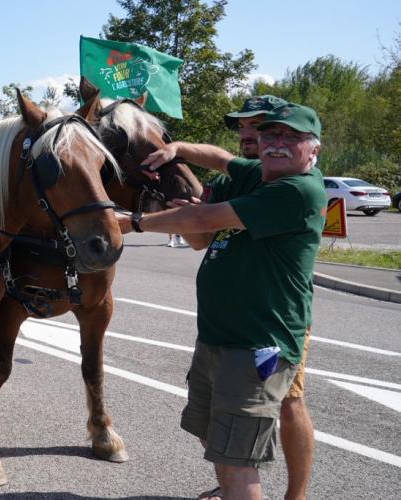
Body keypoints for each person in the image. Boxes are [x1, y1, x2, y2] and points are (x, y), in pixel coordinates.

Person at [117, 103, 325, 500]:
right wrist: (177, 147)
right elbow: (219, 160)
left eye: (292, 138)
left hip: (256, 345)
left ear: (312, 149)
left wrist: (130, 223)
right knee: (218, 442)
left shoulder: (295, 189)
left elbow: (199, 223)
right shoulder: (254, 174)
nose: (276, 143)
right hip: (220, 338)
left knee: (237, 464)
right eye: (270, 135)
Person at [184, 94, 313, 500]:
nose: (246, 133)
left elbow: (209, 218)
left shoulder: (285, 183)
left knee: (288, 405)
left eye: (256, 125)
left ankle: (295, 495)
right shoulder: (235, 179)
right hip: (228, 329)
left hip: (269, 325)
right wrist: (183, 210)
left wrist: (136, 222)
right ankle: (234, 483)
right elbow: (199, 238)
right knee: (227, 435)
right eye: (241, 126)